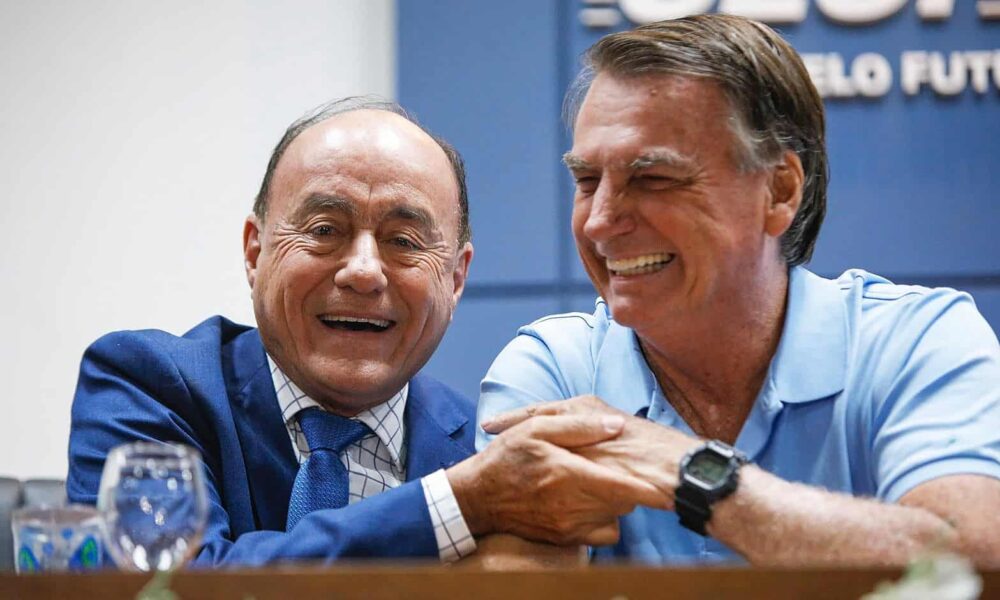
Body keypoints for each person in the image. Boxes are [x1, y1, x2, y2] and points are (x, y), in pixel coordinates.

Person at [476, 15, 1000, 567]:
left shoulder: (915, 342)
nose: (600, 221)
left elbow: (971, 561)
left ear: (779, 191)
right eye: (587, 181)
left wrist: (688, 472)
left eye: (653, 179)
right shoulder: (555, 369)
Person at [67, 97, 661, 566]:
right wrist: (455, 505)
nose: (363, 271)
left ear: (456, 277)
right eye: (325, 229)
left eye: (404, 241)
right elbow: (163, 586)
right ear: (254, 251)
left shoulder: (481, 448)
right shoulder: (148, 385)